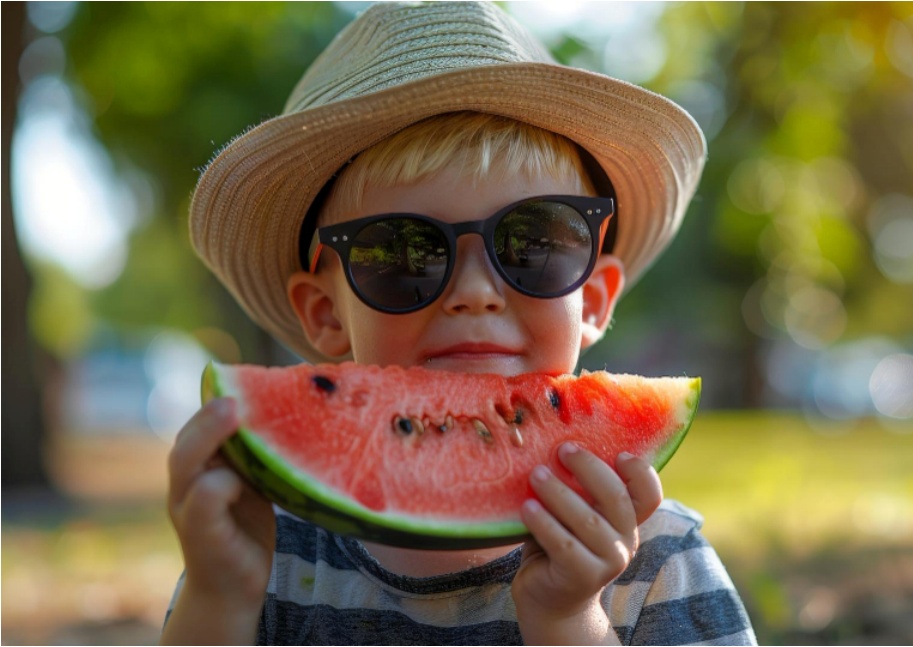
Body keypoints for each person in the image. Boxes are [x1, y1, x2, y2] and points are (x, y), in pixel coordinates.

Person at [162, 2, 755, 645]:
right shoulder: (265, 555)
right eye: (401, 254)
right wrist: (218, 599)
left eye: (534, 242)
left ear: (592, 300)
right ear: (327, 313)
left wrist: (567, 619)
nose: (475, 294)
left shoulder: (660, 561)